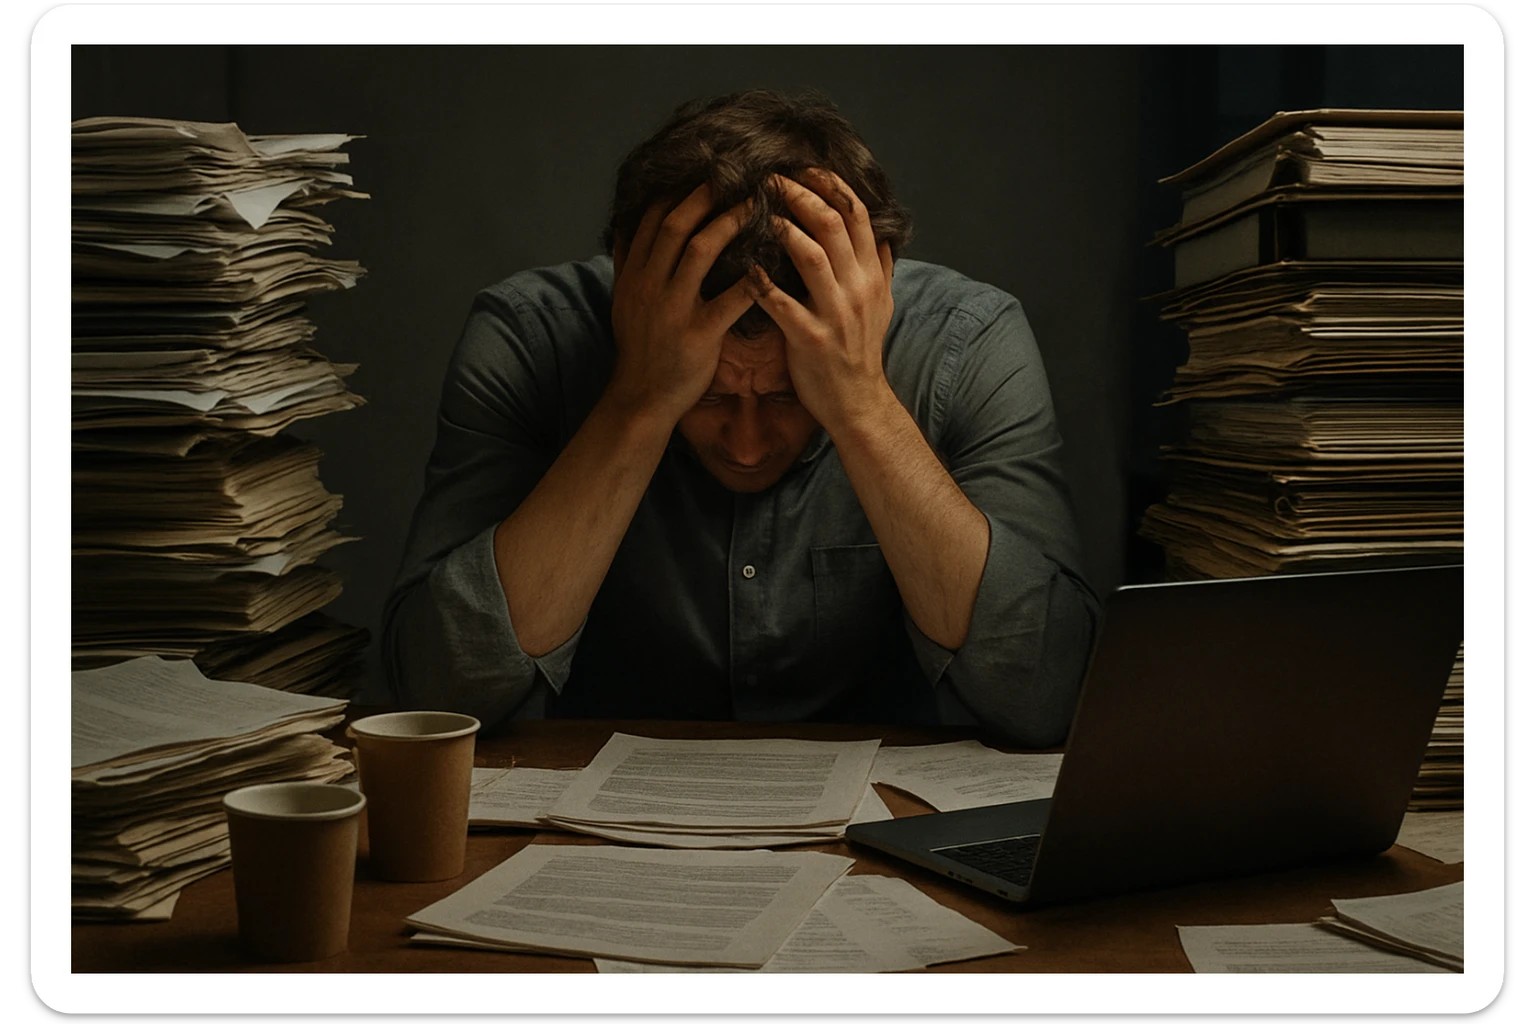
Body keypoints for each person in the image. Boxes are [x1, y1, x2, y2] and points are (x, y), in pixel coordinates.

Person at [383, 89, 1098, 748]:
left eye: (788, 396)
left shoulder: (967, 340)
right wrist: (641, 400)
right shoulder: (530, 337)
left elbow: (1048, 695)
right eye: (711, 396)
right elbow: (439, 696)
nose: (749, 448)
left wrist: (859, 401)